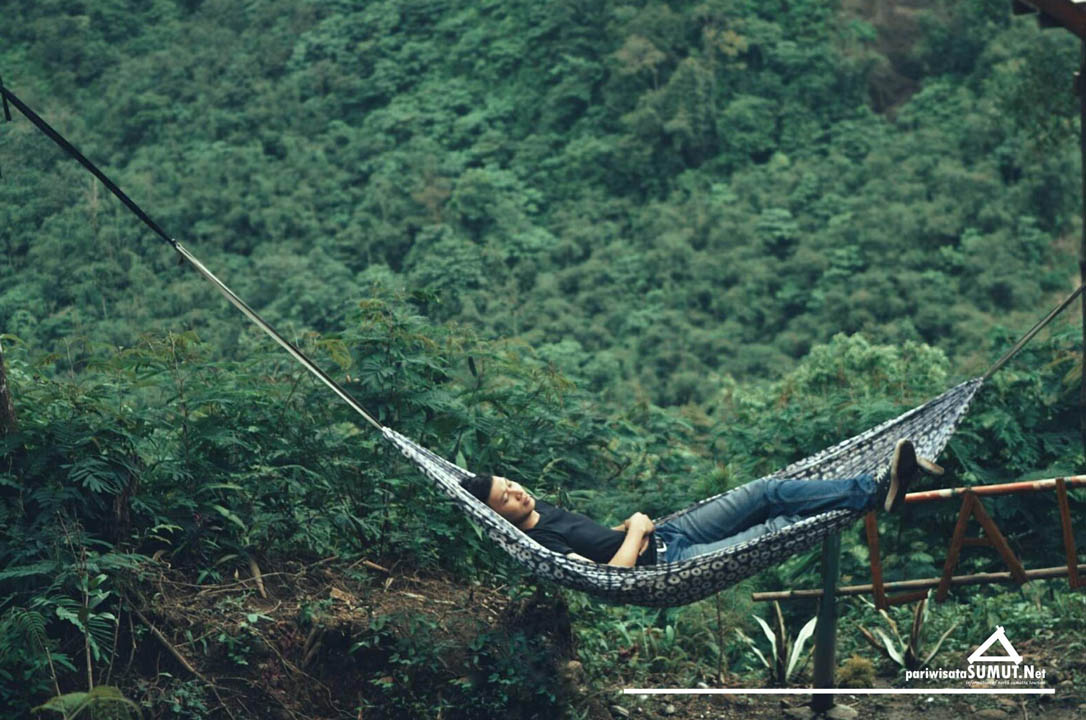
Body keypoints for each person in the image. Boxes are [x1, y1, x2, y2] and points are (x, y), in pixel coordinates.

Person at [459, 439, 941, 567]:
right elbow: (611, 575)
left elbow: (599, 543)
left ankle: (877, 488)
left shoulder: (544, 510)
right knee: (775, 531)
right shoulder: (541, 542)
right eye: (506, 497)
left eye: (511, 483)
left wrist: (629, 527)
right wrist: (637, 531)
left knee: (766, 492)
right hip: (670, 563)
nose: (517, 491)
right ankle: (881, 489)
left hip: (670, 534)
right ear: (496, 515)